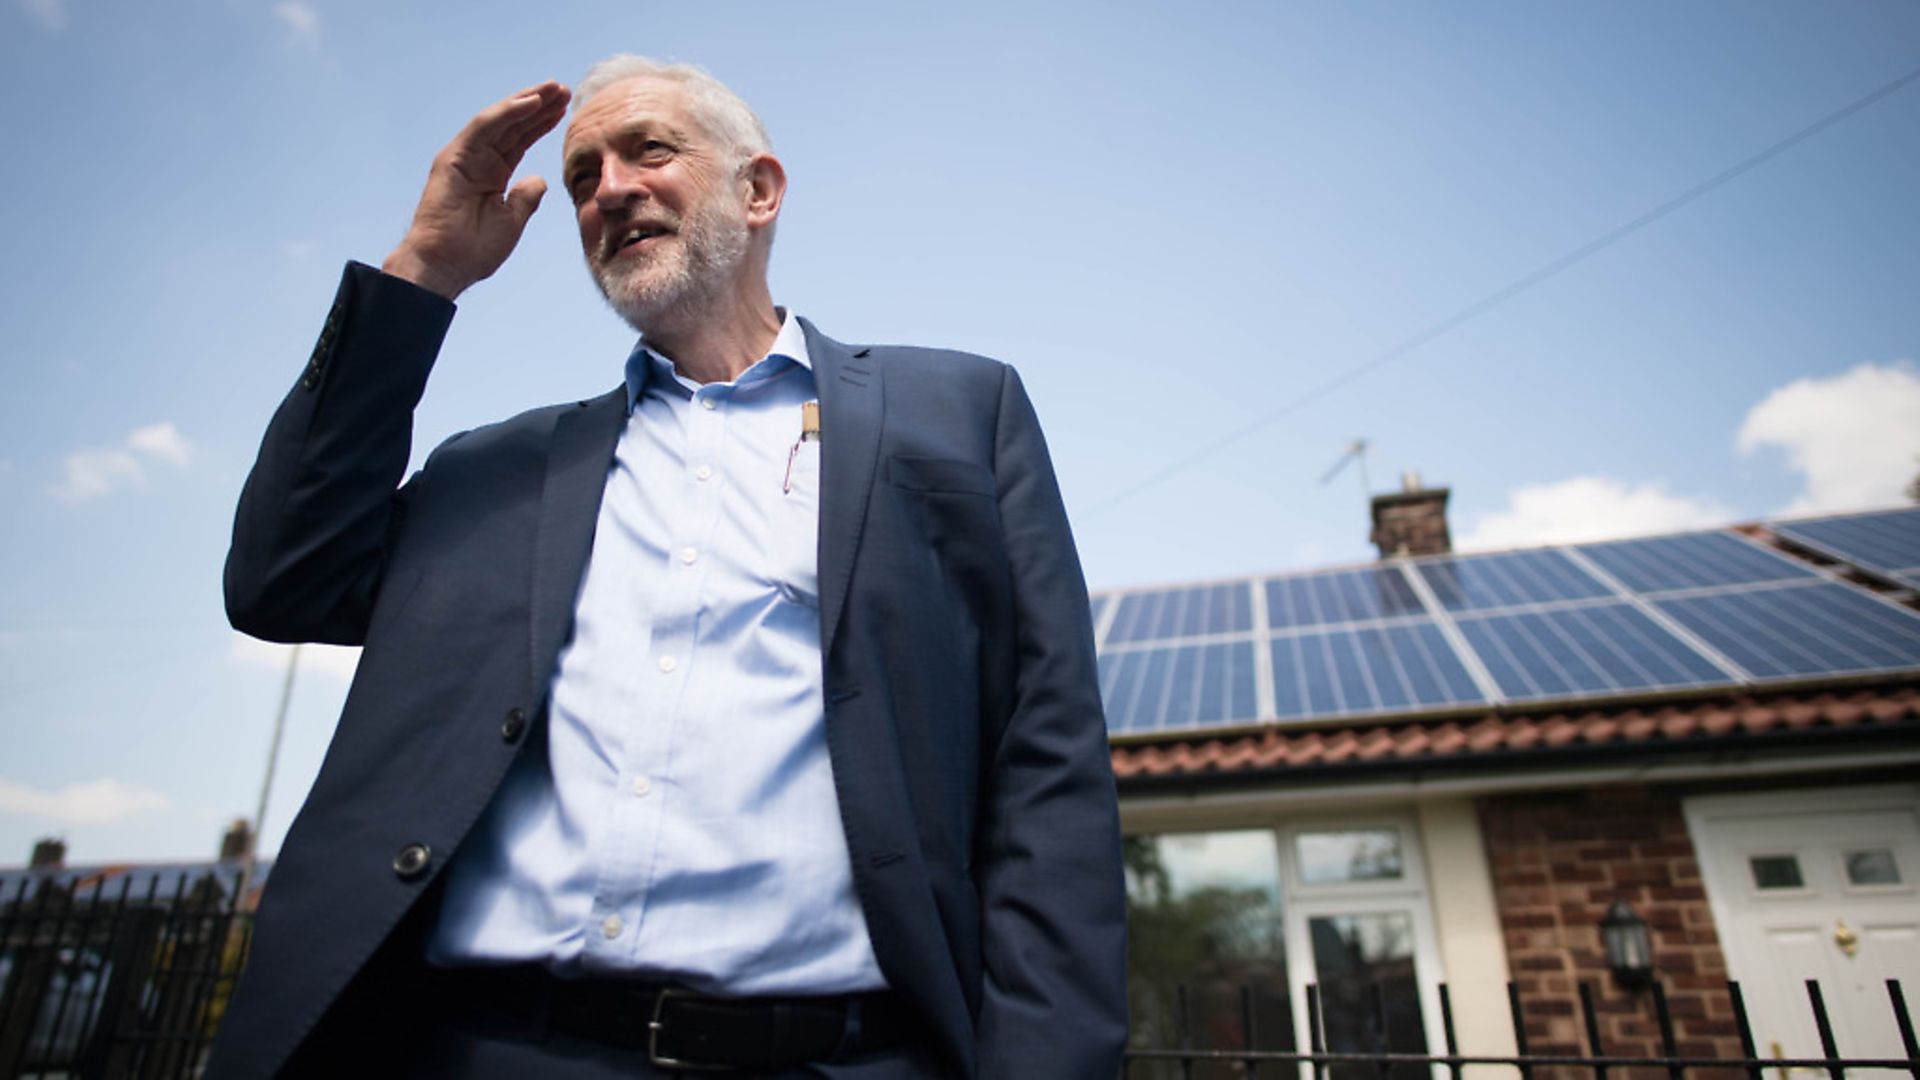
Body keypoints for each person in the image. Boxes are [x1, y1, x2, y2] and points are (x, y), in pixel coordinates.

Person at [209, 56, 1126, 1079]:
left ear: (758, 190)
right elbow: (282, 580)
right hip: (493, 1049)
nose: (609, 188)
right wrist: (423, 272)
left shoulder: (959, 414)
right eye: (582, 177)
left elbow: (1046, 765)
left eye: (649, 150)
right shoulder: (495, 473)